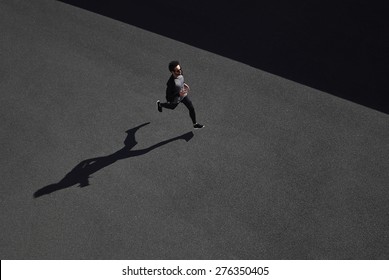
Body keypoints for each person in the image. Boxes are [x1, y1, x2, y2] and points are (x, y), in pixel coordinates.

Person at [157, 61, 204, 129]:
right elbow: (169, 95)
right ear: (173, 72)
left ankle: (195, 124)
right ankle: (160, 104)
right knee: (172, 107)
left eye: (180, 69)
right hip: (176, 97)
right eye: (178, 71)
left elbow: (181, 80)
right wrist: (178, 95)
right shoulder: (171, 83)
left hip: (183, 95)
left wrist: (184, 84)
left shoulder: (180, 73)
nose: (180, 72)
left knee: (191, 107)